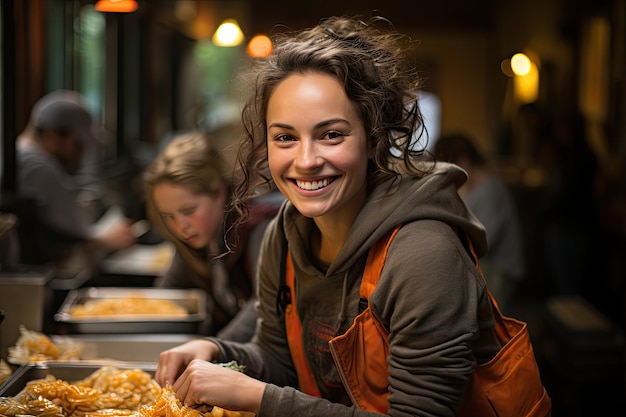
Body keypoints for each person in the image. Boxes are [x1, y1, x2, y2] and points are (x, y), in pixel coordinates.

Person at [155, 16, 502, 416]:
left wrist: (259, 397)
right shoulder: (284, 236)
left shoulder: (425, 254)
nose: (305, 161)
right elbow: (280, 360)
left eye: (331, 135)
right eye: (285, 137)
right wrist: (217, 350)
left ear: (374, 137)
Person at [143, 131, 282, 340]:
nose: (180, 226)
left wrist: (212, 349)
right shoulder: (197, 236)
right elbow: (169, 294)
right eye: (168, 216)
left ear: (219, 193)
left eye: (189, 211)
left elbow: (263, 305)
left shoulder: (257, 229)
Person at [15, 90, 135, 272]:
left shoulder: (21, 155)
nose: (81, 153)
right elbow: (74, 241)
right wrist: (105, 240)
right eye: (78, 144)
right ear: (53, 133)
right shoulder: (37, 166)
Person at [434, 132, 525, 313]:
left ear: (463, 160)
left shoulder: (488, 189)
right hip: (490, 266)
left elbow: (485, 240)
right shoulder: (477, 187)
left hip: (499, 270)